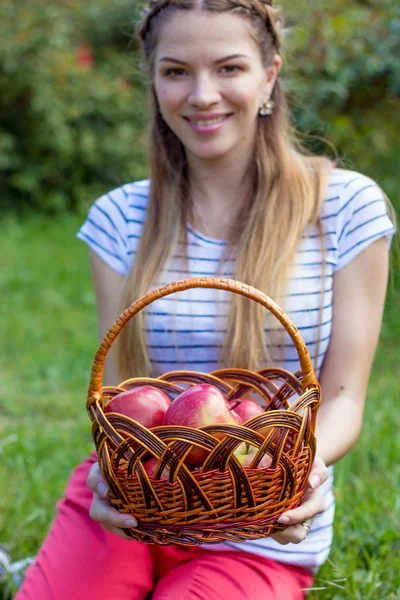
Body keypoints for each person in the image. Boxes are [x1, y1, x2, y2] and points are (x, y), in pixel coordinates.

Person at [17, 1, 396, 599]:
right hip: (142, 504)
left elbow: (345, 397)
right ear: (153, 81)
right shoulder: (120, 218)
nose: (201, 95)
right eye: (175, 71)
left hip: (262, 523)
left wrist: (297, 472)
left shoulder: (346, 207)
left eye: (228, 68)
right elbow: (121, 398)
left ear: (270, 73)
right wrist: (112, 483)